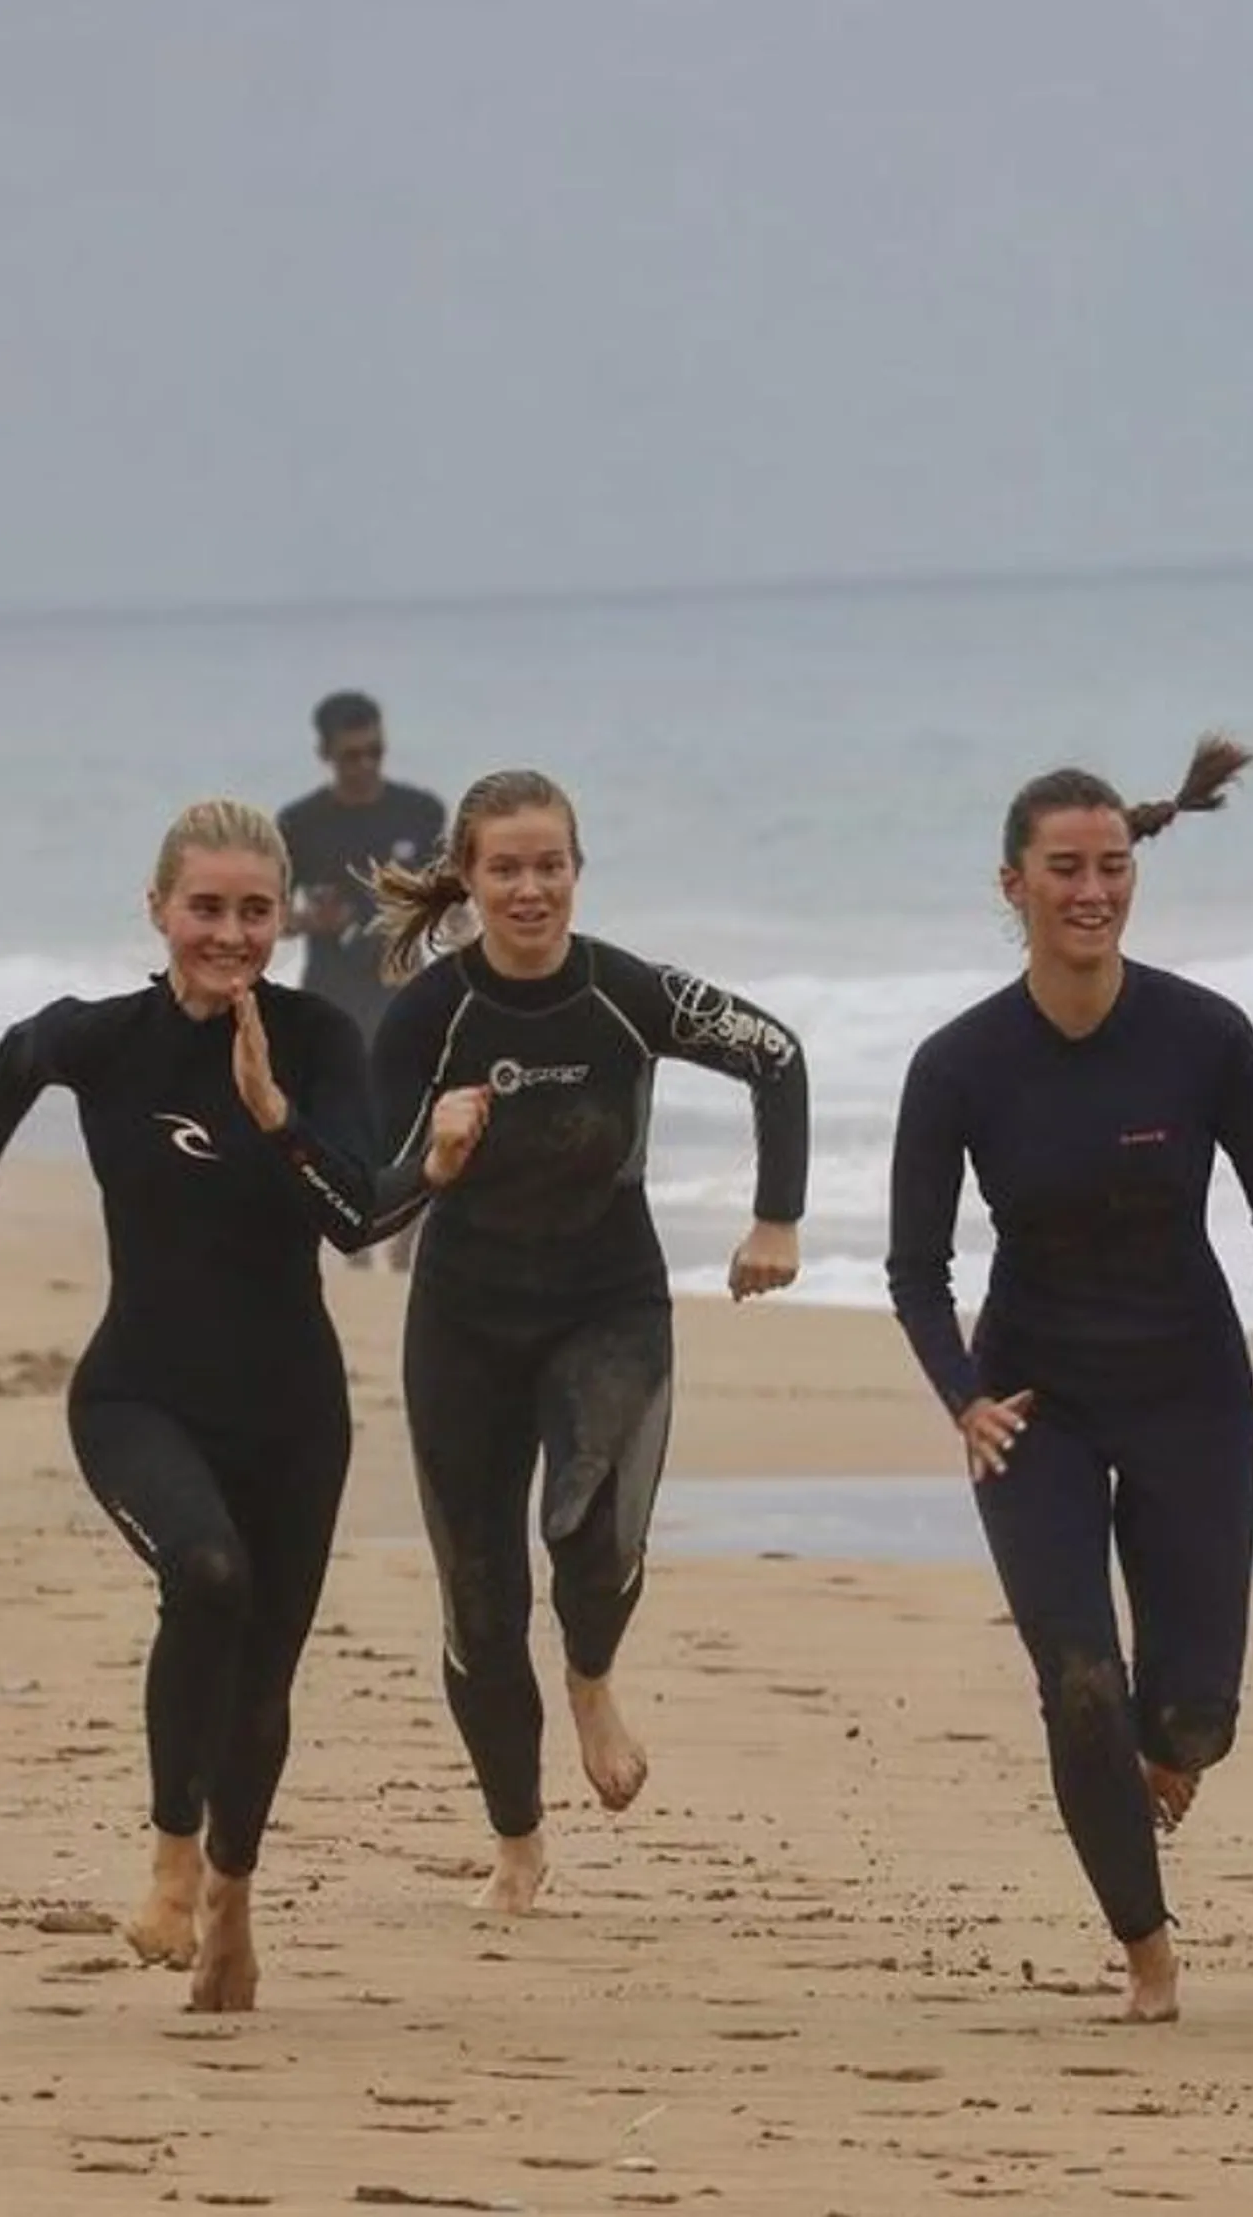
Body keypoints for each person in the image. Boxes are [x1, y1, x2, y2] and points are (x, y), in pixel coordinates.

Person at [0, 802, 488, 2010]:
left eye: (253, 911)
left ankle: (229, 1900)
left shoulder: (319, 1041)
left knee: (263, 1680)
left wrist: (273, 1116)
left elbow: (362, 1217)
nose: (229, 933)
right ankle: (170, 1859)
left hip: (294, 1419)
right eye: (204, 908)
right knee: (206, 1577)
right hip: (134, 1397)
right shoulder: (98, 1042)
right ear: (158, 910)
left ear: (280, 917)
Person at [884, 736, 1253, 2026]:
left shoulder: (1200, 1035)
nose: (1093, 892)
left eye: (1112, 868)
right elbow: (917, 1265)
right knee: (1079, 1676)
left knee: (1192, 1716)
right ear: (1010, 886)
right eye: (1064, 870)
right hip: (1037, 1403)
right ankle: (1147, 1948)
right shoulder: (960, 1064)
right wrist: (963, 1393)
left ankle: (1165, 1755)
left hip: (1190, 1391)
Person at [366, 769, 812, 1915]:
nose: (530, 889)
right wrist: (433, 1161)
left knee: (592, 1536)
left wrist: (777, 1217)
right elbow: (363, 1199)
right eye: (505, 869)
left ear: (578, 868)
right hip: (463, 1321)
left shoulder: (625, 992)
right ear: (467, 879)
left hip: (608, 1306)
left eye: (549, 865)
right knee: (480, 1603)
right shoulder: (430, 1015)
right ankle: (518, 1836)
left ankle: (594, 1675)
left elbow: (776, 1053)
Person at [278, 692, 447, 1272]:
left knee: (423, 1119)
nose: (366, 765)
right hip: (332, 995)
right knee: (347, 1126)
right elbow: (266, 914)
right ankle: (357, 1250)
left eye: (374, 751)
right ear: (325, 753)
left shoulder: (421, 811)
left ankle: (404, 1246)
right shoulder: (299, 823)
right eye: (352, 755)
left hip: (407, 989)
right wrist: (306, 920)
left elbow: (449, 893)